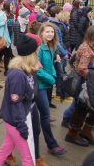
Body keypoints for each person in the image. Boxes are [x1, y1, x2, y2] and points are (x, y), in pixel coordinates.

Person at [0, 35, 39, 166]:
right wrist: (21, 126)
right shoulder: (17, 75)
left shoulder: (25, 70)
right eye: (36, 51)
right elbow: (15, 103)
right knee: (28, 158)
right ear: (30, 54)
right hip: (16, 121)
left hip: (17, 118)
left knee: (5, 150)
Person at [36, 22, 66, 156]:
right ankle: (52, 144)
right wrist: (52, 79)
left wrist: (53, 73)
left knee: (40, 115)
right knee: (45, 116)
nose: (50, 34)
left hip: (47, 86)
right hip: (40, 87)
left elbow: (51, 65)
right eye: (47, 32)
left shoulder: (51, 47)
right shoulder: (38, 49)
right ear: (41, 33)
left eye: (52, 32)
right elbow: (37, 70)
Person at [65, 26, 94, 147]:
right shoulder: (86, 48)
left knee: (93, 109)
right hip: (85, 84)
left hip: (92, 84)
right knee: (81, 109)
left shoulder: (92, 46)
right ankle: (72, 134)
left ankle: (86, 131)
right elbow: (81, 68)